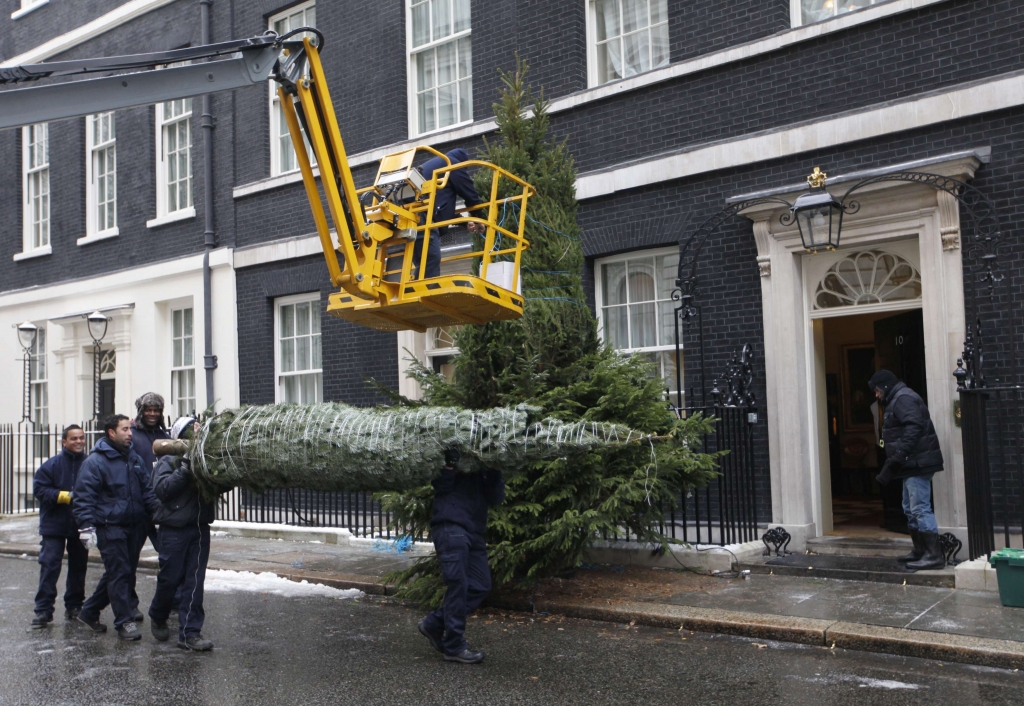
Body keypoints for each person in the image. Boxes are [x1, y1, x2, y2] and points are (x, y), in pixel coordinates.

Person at [73, 414, 160, 640]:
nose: (130, 433)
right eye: (125, 429)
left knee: (120, 572)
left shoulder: (134, 458)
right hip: (109, 526)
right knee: (120, 573)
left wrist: (159, 514)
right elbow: (83, 497)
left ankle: (89, 611)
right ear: (111, 433)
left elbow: (147, 490)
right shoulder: (95, 462)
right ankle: (124, 622)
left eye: (130, 429)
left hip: (134, 525)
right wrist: (86, 527)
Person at [418, 449, 504, 664]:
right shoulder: (452, 461)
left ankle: (434, 623)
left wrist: (494, 470)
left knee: (481, 585)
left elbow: (496, 498)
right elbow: (440, 486)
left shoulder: (485, 468)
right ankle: (454, 645)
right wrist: (450, 466)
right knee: (458, 584)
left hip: (474, 532)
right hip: (451, 527)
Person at [148, 416, 215, 651]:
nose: (198, 431)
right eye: (193, 429)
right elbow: (163, 491)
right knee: (170, 580)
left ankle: (190, 633)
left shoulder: (207, 458)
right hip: (174, 531)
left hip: (199, 528)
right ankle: (158, 614)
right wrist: (185, 469)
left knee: (195, 581)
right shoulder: (168, 460)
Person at [869, 369, 945, 571]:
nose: (876, 395)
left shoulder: (903, 398)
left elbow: (914, 428)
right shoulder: (900, 398)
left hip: (916, 463)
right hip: (912, 463)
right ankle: (920, 551)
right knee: (910, 508)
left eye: (877, 390)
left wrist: (899, 456)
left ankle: (934, 555)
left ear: (885, 386)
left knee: (919, 508)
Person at [30, 425, 89, 629]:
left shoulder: (90, 463)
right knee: (50, 566)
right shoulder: (51, 465)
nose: (79, 441)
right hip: (54, 525)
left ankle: (74, 606)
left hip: (79, 524)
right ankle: (43, 611)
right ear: (64, 442)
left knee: (78, 567)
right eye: (74, 439)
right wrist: (63, 496)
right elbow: (39, 490)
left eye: (81, 438)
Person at [412, 148, 486, 279]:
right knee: (431, 257)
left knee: (422, 259)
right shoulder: (454, 165)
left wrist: (465, 223)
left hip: (409, 212)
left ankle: (413, 291)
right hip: (422, 214)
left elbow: (441, 206)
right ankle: (425, 293)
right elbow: (472, 197)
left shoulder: (438, 166)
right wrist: (479, 220)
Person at [129, 392, 170, 613]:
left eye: (156, 410)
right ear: (141, 411)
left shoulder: (165, 435)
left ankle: (169, 600)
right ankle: (130, 604)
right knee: (130, 558)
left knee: (168, 556)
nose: (152, 414)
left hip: (160, 505)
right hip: (138, 507)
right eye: (148, 410)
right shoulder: (132, 436)